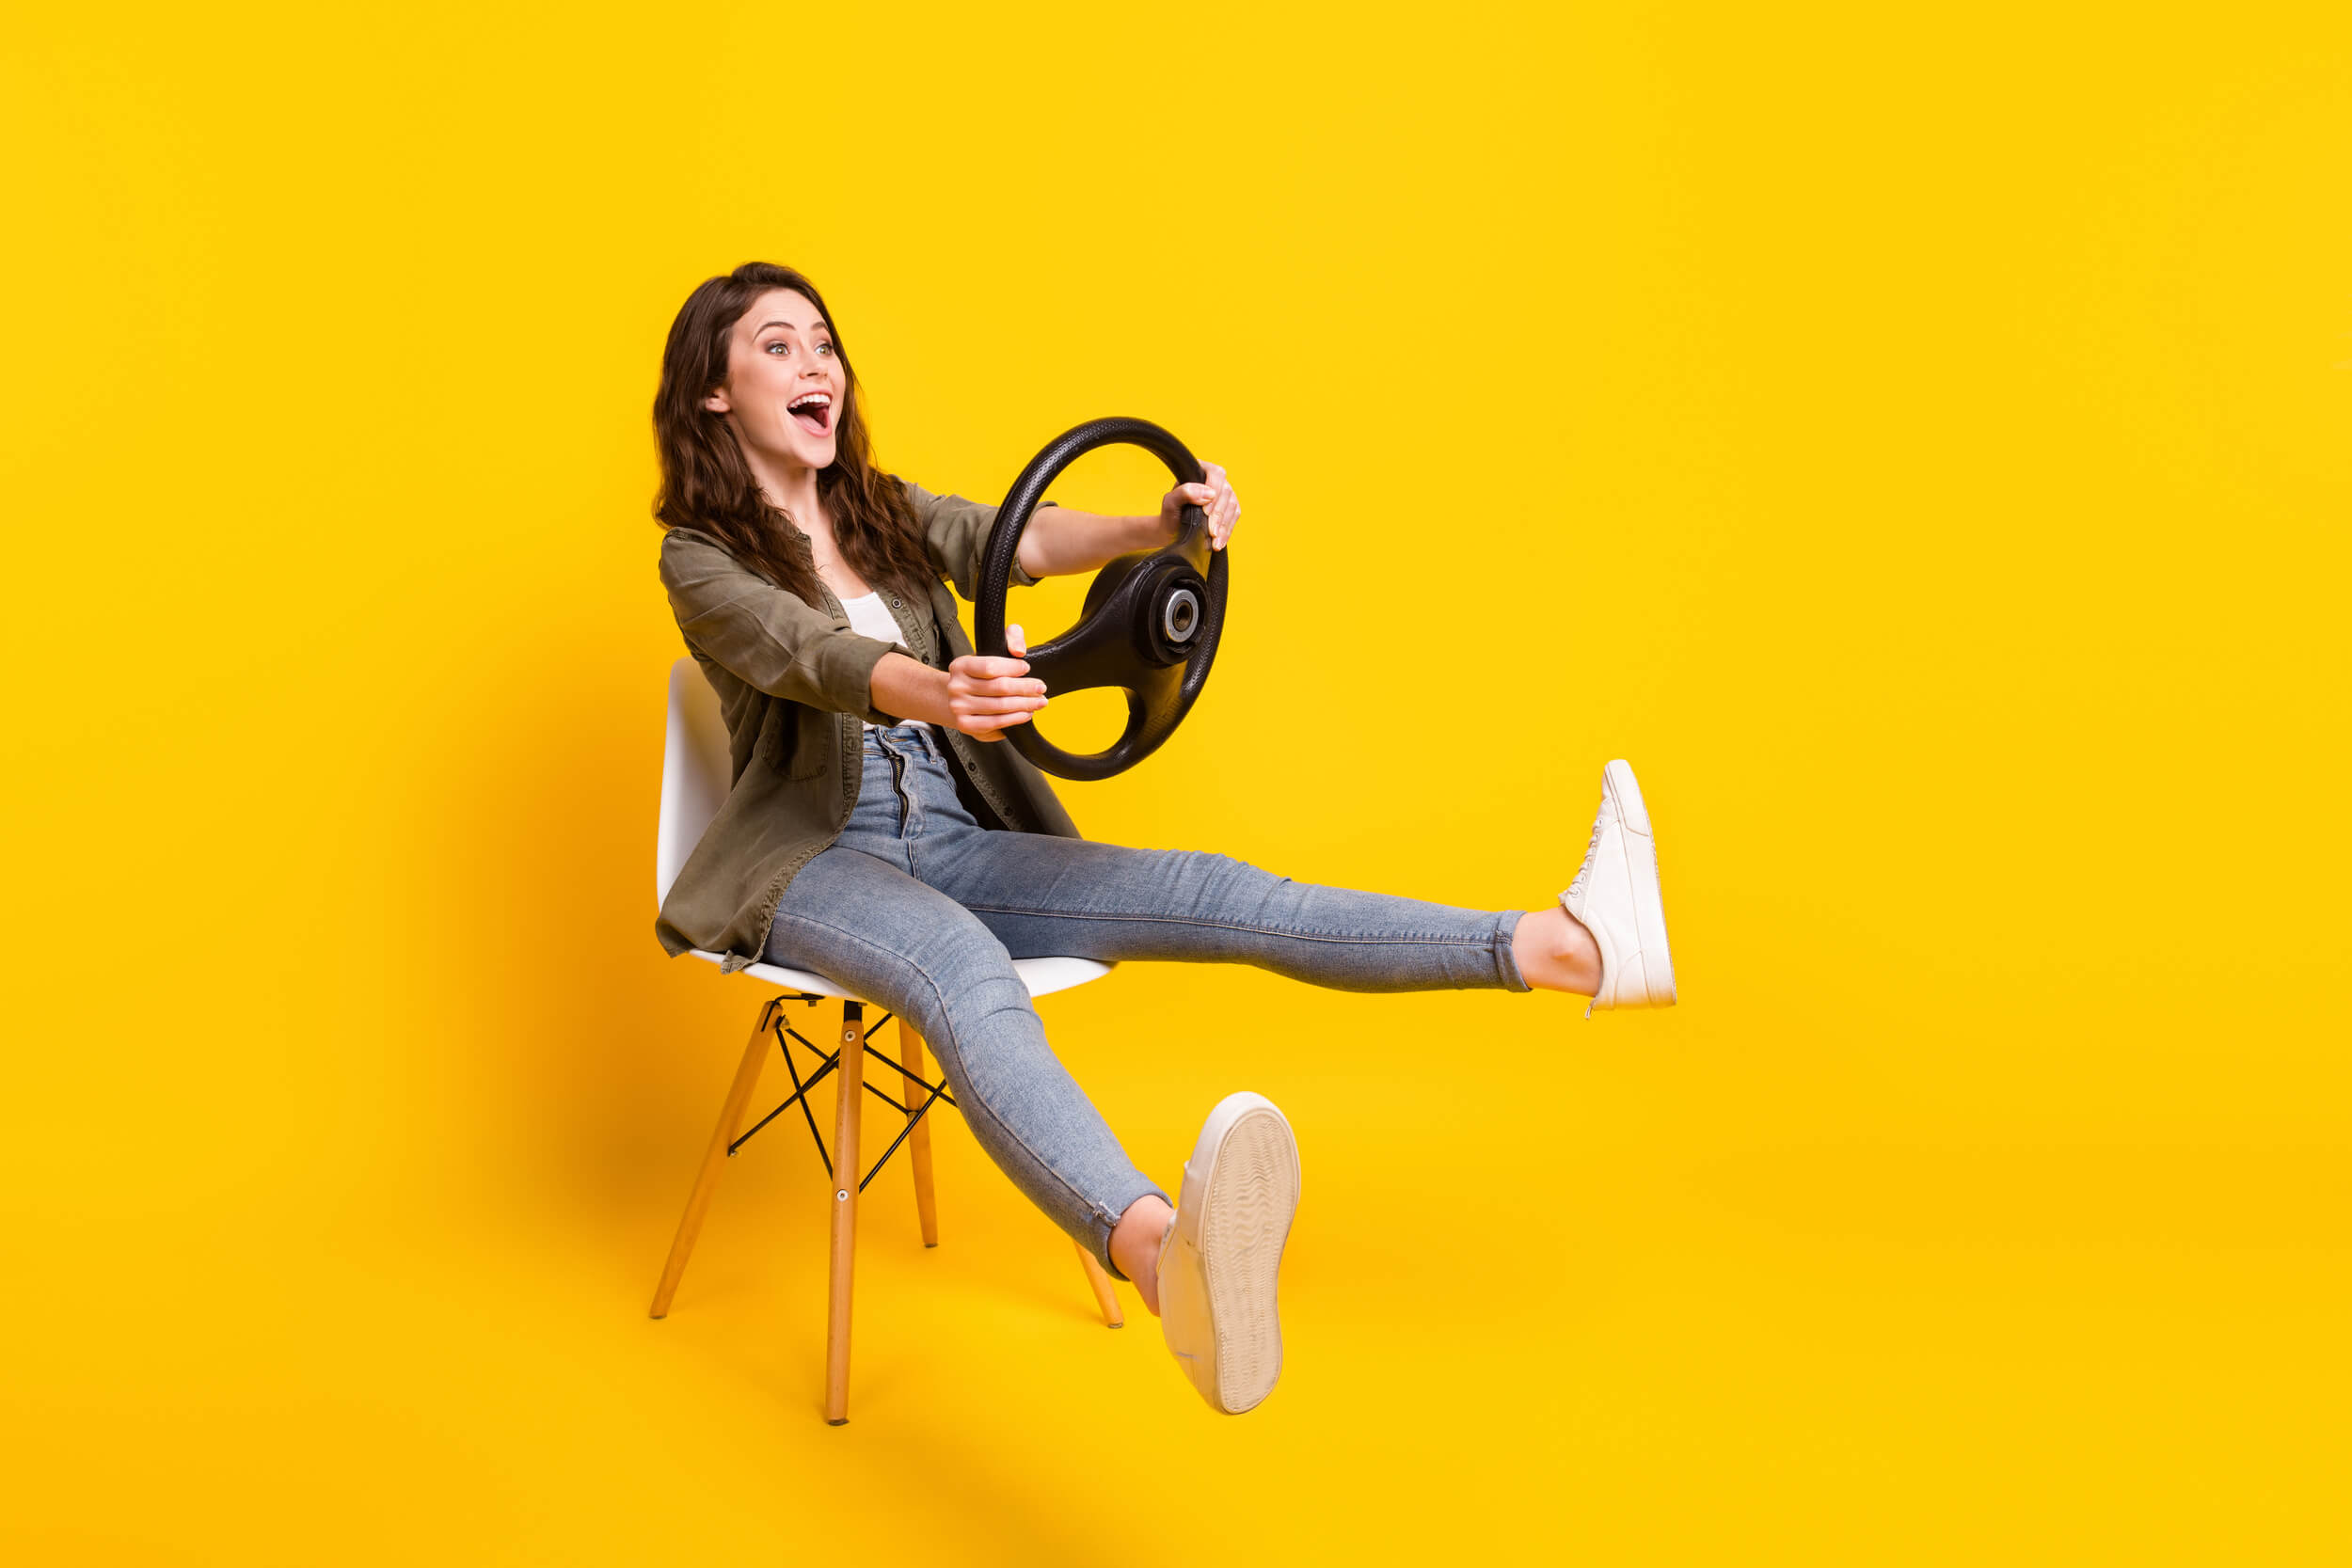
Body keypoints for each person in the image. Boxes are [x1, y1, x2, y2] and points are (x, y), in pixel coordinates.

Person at [649, 262, 1677, 1417]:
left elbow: (1014, 539)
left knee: (1211, 888)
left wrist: (1159, 524)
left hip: (958, 836)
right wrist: (938, 691)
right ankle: (1162, 1258)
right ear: (714, 393)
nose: (817, 366)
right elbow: (803, 651)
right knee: (964, 972)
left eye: (825, 345)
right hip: (818, 860)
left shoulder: (879, 511)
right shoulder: (700, 555)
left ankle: (1569, 947)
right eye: (780, 347)